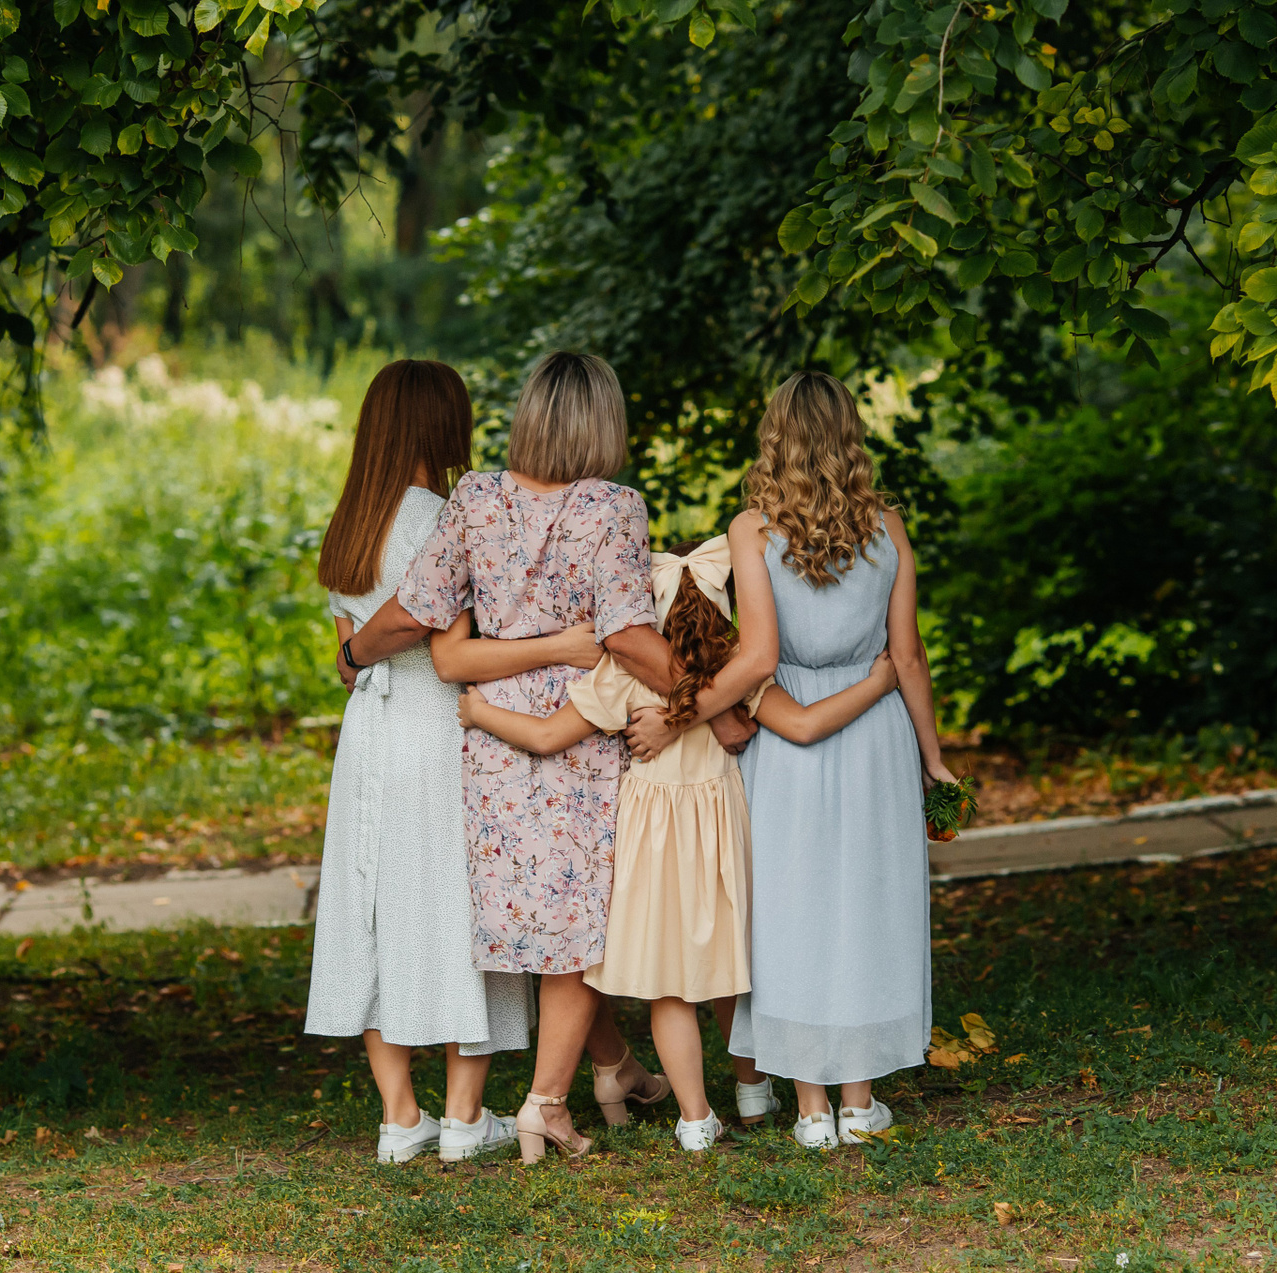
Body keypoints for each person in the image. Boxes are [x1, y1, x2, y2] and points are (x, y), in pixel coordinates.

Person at [341, 350, 757, 1164]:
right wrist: (713, 702)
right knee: (584, 928)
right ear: (604, 424)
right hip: (580, 730)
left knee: (529, 918)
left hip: (493, 740)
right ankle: (546, 1102)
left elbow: (419, 610)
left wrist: (354, 652)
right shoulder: (614, 506)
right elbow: (627, 635)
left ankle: (583, 1083)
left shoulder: (474, 497)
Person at [453, 535, 902, 1152]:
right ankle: (753, 1091)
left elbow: (548, 736)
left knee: (670, 984)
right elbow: (798, 725)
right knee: (736, 966)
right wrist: (878, 684)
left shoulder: (622, 675)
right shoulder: (734, 672)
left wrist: (480, 714)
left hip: (652, 838)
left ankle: (694, 1119)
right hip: (722, 834)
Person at [625, 370, 958, 1149]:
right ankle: (859, 1102)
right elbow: (907, 656)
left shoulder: (752, 530)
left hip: (786, 728)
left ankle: (811, 1108)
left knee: (791, 909)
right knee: (868, 905)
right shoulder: (888, 526)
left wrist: (678, 718)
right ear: (851, 436)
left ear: (774, 437)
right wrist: (933, 759)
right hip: (874, 729)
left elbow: (758, 654)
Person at [303, 358, 604, 1164]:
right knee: (459, 906)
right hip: (440, 725)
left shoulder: (350, 523)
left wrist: (358, 654)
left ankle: (401, 1115)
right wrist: (562, 645)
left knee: (375, 906)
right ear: (441, 425)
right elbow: (440, 636)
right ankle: (465, 1114)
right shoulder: (448, 514)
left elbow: (346, 652)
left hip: (368, 732)